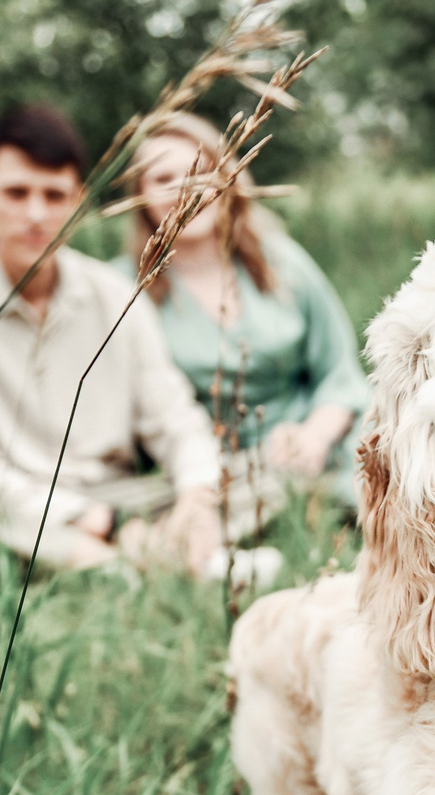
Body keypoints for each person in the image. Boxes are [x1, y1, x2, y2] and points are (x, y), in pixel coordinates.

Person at [0, 104, 236, 579]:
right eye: (17, 193)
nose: (36, 214)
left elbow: (174, 419)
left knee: (259, 477)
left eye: (54, 194)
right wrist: (87, 520)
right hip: (9, 501)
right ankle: (117, 567)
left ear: (78, 201)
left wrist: (197, 500)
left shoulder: (118, 296)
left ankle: (122, 552)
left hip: (116, 496)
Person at [122, 114, 370, 503]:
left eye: (202, 172)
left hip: (318, 438)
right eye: (162, 178)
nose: (185, 188)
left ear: (226, 180)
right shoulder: (123, 288)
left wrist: (314, 436)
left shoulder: (280, 260)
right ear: (139, 194)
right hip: (210, 471)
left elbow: (340, 374)